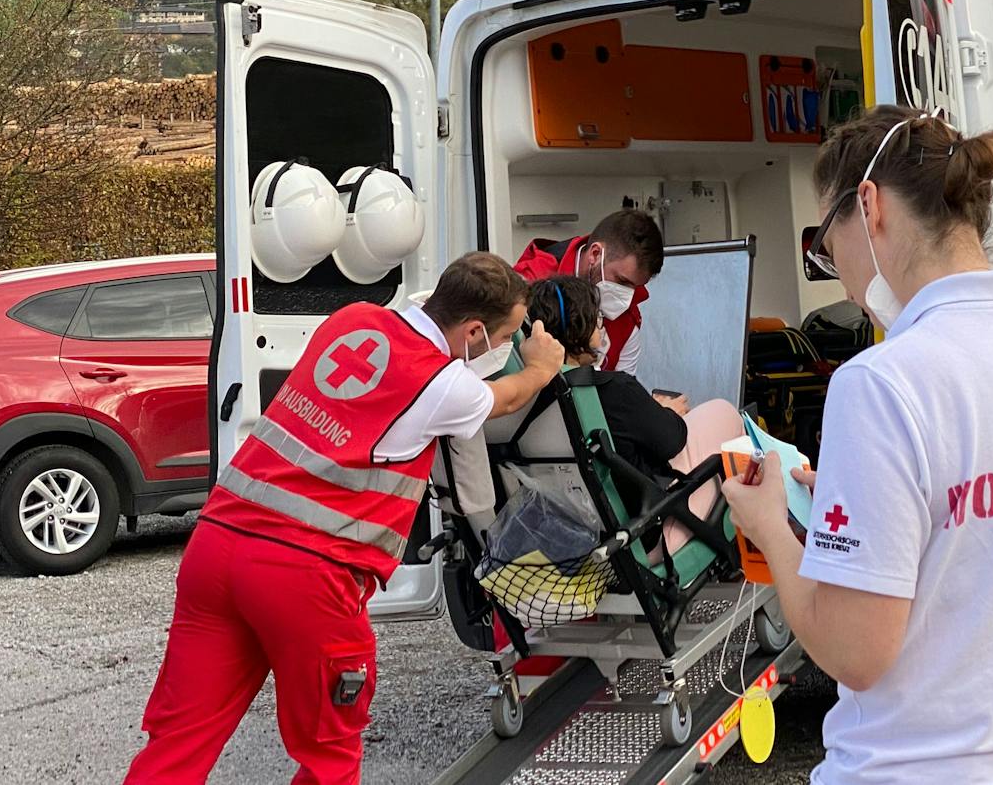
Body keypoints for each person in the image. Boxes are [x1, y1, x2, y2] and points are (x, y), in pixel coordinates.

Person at [722, 106, 993, 784]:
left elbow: (855, 652)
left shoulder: (884, 384)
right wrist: (857, 503)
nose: (837, 272)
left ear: (869, 205)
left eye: (828, 245)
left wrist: (771, 527)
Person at [125, 252, 565, 785]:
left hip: (215, 549)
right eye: (504, 337)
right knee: (329, 755)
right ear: (474, 331)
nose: (503, 348)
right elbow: (504, 396)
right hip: (304, 575)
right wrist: (541, 366)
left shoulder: (354, 318)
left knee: (179, 740)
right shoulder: (442, 384)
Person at [525, 275, 742, 553]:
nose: (602, 326)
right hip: (640, 536)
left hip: (566, 538)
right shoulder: (614, 389)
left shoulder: (528, 398)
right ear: (582, 326)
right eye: (598, 319)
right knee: (723, 413)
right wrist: (664, 411)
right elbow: (672, 440)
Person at [514, 209, 663, 376]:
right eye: (621, 281)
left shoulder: (628, 318)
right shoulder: (528, 287)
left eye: (636, 286)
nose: (626, 296)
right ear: (595, 254)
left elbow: (624, 388)